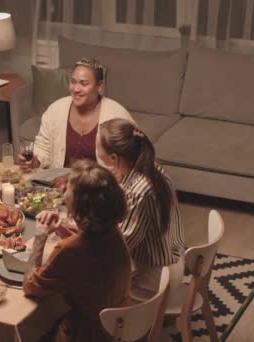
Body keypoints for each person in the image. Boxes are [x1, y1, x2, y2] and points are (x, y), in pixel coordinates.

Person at [24, 160, 132, 342]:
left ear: (79, 205)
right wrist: (63, 230)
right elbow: (89, 249)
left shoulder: (67, 250)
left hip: (85, 335)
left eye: (68, 187)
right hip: (118, 328)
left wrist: (40, 237)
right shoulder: (114, 230)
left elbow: (31, 287)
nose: (64, 189)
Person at [97, 118, 185, 295]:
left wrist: (80, 231)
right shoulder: (152, 167)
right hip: (173, 261)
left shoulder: (139, 191)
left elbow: (119, 248)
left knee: (86, 279)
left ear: (113, 158)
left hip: (155, 277)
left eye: (98, 146)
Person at [18, 57, 134, 171]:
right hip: (60, 185)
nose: (76, 89)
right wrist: (35, 160)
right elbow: (43, 147)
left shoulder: (118, 115)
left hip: (100, 186)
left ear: (99, 85)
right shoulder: (55, 110)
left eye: (84, 84)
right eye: (73, 82)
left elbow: (132, 160)